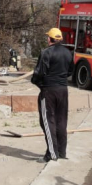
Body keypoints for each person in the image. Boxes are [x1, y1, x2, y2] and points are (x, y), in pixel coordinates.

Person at [31, 27, 74, 163]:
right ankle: (61, 152)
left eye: (47, 37)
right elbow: (70, 71)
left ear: (50, 39)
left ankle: (51, 154)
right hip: (63, 90)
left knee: (47, 121)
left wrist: (37, 82)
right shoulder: (68, 53)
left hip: (48, 90)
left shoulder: (46, 53)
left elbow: (39, 73)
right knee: (61, 120)